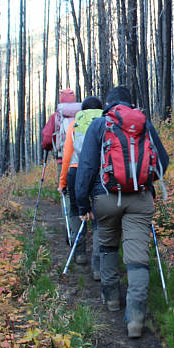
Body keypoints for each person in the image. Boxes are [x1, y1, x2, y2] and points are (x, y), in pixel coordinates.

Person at [75, 86, 169, 338]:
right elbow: (163, 162)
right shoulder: (143, 124)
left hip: (105, 198)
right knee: (137, 257)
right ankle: (136, 318)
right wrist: (145, 182)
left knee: (107, 245)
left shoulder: (98, 125)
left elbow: (85, 167)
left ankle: (112, 299)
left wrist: (83, 204)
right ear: (130, 103)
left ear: (108, 103)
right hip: (140, 198)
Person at [58, 96, 104, 274]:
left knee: (77, 211)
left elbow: (67, 157)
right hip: (101, 173)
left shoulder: (74, 125)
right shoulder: (106, 122)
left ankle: (80, 252)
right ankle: (98, 266)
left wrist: (63, 182)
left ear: (82, 110)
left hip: (77, 171)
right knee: (100, 219)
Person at [41, 88, 80, 244]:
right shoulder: (82, 115)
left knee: (67, 194)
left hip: (62, 161)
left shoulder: (56, 117)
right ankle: (83, 225)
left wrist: (48, 147)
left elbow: (46, 139)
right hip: (82, 160)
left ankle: (71, 230)